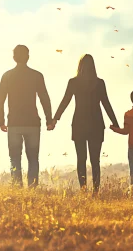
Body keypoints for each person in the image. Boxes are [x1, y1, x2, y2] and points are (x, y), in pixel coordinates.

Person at [51, 54, 119, 196]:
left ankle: (83, 190)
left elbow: (65, 101)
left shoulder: (73, 82)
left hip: (79, 124)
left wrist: (55, 119)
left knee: (81, 159)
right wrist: (115, 123)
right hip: (96, 124)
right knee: (95, 160)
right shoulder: (99, 83)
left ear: (80, 65)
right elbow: (106, 104)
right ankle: (95, 191)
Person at [0, 45, 54, 188]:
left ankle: (17, 187)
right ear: (28, 57)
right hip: (33, 123)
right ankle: (32, 188)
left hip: (14, 123)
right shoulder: (37, 76)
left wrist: (1, 121)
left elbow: (0, 100)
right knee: (33, 158)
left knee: (15, 158)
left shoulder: (7, 76)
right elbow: (44, 98)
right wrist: (49, 120)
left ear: (14, 57)